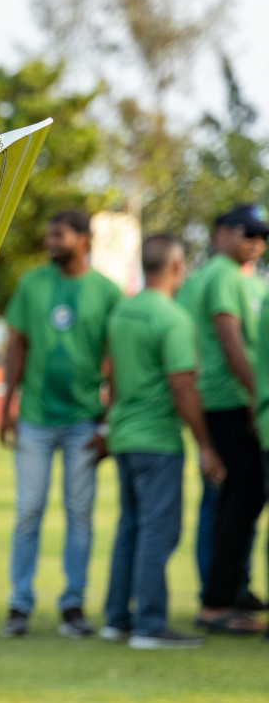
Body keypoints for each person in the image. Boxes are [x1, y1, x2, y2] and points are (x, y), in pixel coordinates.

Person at [0, 210, 122, 638]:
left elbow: (117, 358)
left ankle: (73, 605)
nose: (51, 241)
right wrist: (6, 405)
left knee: (80, 515)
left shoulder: (106, 291)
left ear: (84, 239)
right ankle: (19, 604)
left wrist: (108, 421)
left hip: (83, 422)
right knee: (28, 511)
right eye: (49, 234)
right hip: (34, 417)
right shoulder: (32, 283)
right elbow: (18, 346)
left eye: (59, 234)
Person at [100, 235, 224, 648]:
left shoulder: (123, 312)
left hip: (124, 434)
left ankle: (118, 619)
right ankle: (151, 624)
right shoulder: (173, 318)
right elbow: (183, 386)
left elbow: (112, 376)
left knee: (130, 529)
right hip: (157, 439)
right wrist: (205, 444)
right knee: (158, 532)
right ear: (176, 266)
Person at [185, 204, 269, 634]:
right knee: (238, 502)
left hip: (228, 399)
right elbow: (230, 339)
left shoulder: (229, 274)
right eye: (248, 233)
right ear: (223, 233)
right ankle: (217, 601)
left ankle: (228, 590)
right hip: (230, 400)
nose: (256, 243)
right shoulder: (222, 274)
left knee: (235, 501)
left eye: (261, 236)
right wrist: (261, 397)